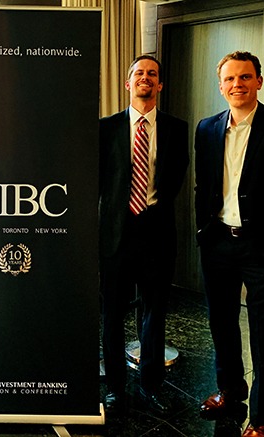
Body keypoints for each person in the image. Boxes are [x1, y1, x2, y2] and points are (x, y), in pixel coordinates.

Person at [195, 51, 264, 437]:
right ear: (221, 85)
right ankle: (230, 391)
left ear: (258, 81)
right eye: (229, 79)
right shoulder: (207, 128)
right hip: (217, 244)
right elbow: (203, 187)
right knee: (222, 324)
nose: (237, 84)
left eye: (245, 77)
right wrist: (203, 230)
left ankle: (261, 418)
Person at [99, 55, 189, 415]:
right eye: (139, 73)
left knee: (154, 315)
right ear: (128, 83)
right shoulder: (105, 128)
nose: (145, 78)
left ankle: (151, 386)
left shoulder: (176, 129)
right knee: (112, 315)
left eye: (152, 74)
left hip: (157, 233)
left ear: (160, 85)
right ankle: (115, 388)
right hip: (115, 236)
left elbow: (175, 179)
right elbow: (100, 183)